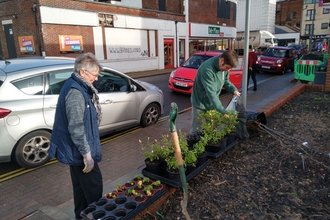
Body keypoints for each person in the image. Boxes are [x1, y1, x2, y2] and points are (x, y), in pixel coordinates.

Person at [49, 52, 103, 220]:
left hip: (76, 151)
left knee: (80, 191)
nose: (96, 78)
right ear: (82, 73)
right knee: (94, 188)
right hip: (79, 152)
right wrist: (87, 156)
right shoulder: (75, 92)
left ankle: (81, 217)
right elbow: (76, 128)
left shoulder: (78, 86)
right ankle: (95, 216)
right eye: (94, 75)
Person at [190, 50, 241, 134]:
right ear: (221, 61)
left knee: (212, 127)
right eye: (227, 68)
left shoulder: (224, 70)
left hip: (212, 103)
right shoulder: (207, 69)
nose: (228, 70)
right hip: (200, 103)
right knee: (196, 129)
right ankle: (193, 144)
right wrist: (222, 111)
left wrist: (234, 90)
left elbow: (226, 81)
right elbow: (211, 93)